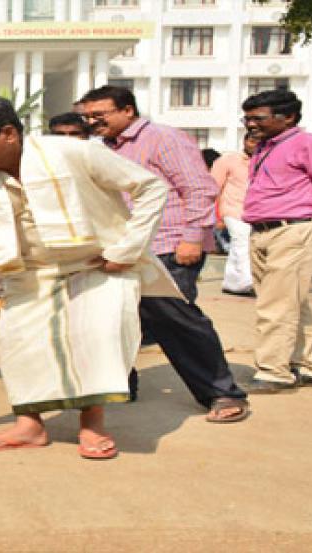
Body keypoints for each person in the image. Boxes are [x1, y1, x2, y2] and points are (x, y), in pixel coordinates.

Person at [0, 95, 177, 459]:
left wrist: (126, 250)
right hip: (26, 273)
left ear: (8, 133)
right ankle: (29, 427)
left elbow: (151, 188)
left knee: (94, 340)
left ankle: (92, 426)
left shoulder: (74, 153)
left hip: (95, 266)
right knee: (19, 346)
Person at [79, 85, 249, 423]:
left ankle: (221, 393)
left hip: (170, 244)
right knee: (115, 317)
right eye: (88, 117)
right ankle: (121, 385)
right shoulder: (102, 149)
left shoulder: (164, 138)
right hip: (126, 248)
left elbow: (199, 188)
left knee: (177, 319)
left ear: (128, 110)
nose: (93, 122)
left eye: (100, 115)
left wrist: (193, 238)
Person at [239, 89, 312, 392]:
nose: (251, 124)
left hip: (298, 229)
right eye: (247, 118)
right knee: (291, 302)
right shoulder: (264, 148)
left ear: (288, 117)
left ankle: (273, 372)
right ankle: (306, 366)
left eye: (258, 118)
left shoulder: (310, 144)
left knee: (275, 305)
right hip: (265, 231)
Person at [210, 134, 260, 296]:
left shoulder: (266, 161)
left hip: (259, 212)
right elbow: (213, 188)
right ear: (244, 141)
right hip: (233, 210)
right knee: (242, 242)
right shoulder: (228, 160)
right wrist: (216, 216)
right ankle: (246, 283)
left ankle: (231, 283)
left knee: (243, 246)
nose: (254, 145)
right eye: (251, 141)